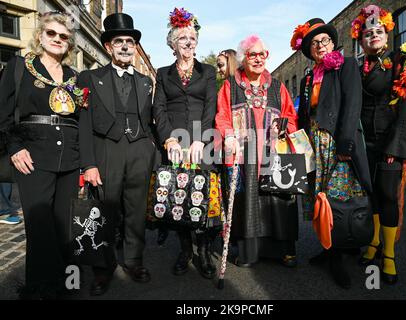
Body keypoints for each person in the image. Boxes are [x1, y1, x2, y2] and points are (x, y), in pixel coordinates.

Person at [0, 11, 85, 299]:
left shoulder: (75, 77)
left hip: (70, 159)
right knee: (40, 226)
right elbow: (2, 114)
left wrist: (87, 162)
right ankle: (40, 289)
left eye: (63, 36)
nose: (57, 39)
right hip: (32, 155)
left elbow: (82, 120)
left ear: (69, 43)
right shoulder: (18, 67)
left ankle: (67, 284)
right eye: (51, 33)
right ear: (40, 35)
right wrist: (14, 147)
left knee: (65, 226)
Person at [78, 13, 155, 295]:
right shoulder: (89, 77)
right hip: (106, 150)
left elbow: (149, 122)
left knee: (135, 213)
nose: (125, 46)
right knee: (104, 211)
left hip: (138, 151)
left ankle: (134, 261)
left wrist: (151, 153)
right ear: (108, 47)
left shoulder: (146, 82)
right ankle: (102, 267)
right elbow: (83, 125)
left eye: (130, 41)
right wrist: (88, 164)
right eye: (119, 41)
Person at [292, 18, 372, 288]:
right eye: (314, 43)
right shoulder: (308, 75)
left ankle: (338, 253)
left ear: (332, 41)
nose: (320, 46)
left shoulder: (346, 65)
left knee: (338, 197)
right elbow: (306, 112)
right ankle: (328, 248)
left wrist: (346, 143)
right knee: (320, 198)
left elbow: (352, 104)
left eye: (324, 40)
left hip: (336, 142)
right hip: (314, 142)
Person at [353, 5, 406, 285]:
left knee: (387, 196)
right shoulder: (359, 67)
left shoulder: (400, 61)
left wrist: (395, 146)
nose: (373, 36)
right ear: (361, 40)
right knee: (371, 194)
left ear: (387, 34)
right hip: (364, 142)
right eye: (368, 33)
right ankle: (373, 243)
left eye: (378, 32)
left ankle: (390, 254)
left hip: (389, 141)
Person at [216, 34, 299, 268]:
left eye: (262, 54)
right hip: (245, 156)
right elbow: (222, 115)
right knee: (247, 203)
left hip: (274, 154)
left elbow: (291, 115)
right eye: (253, 54)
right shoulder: (231, 85)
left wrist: (282, 126)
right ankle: (249, 253)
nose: (258, 59)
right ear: (244, 58)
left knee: (279, 201)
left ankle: (285, 251)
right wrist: (228, 135)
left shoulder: (277, 86)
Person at [153, 8, 219, 279]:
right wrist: (169, 138)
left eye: (192, 38)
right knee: (177, 199)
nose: (189, 42)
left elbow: (210, 108)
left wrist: (202, 141)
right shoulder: (163, 73)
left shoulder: (208, 72)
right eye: (182, 38)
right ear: (173, 43)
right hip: (174, 143)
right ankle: (185, 251)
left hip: (202, 142)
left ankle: (203, 251)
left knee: (203, 198)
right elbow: (159, 109)